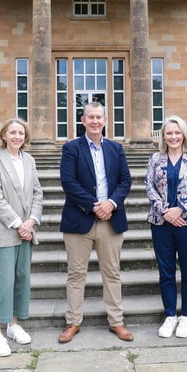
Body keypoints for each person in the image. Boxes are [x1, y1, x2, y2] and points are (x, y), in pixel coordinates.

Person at [57, 102, 133, 344]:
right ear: (83, 120)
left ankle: (116, 321)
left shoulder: (116, 148)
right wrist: (94, 205)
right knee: (76, 274)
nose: (95, 121)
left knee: (111, 273)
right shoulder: (71, 148)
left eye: (99, 117)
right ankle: (73, 322)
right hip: (79, 220)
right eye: (90, 117)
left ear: (105, 119)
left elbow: (125, 180)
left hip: (111, 220)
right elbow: (68, 182)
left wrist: (110, 204)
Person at [0, 118, 43, 357]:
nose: (17, 136)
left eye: (21, 133)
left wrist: (31, 221)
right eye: (12, 132)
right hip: (4, 230)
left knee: (21, 278)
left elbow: (38, 192)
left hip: (27, 231)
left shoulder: (29, 160)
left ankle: (13, 325)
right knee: (3, 282)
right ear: (4, 135)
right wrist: (19, 223)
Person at [145, 115, 187, 338]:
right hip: (161, 223)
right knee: (166, 272)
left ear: (184, 134)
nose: (173, 136)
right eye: (169, 133)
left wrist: (179, 209)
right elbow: (149, 186)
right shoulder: (155, 159)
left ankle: (186, 317)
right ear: (163, 136)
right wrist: (165, 212)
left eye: (177, 132)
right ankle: (170, 315)